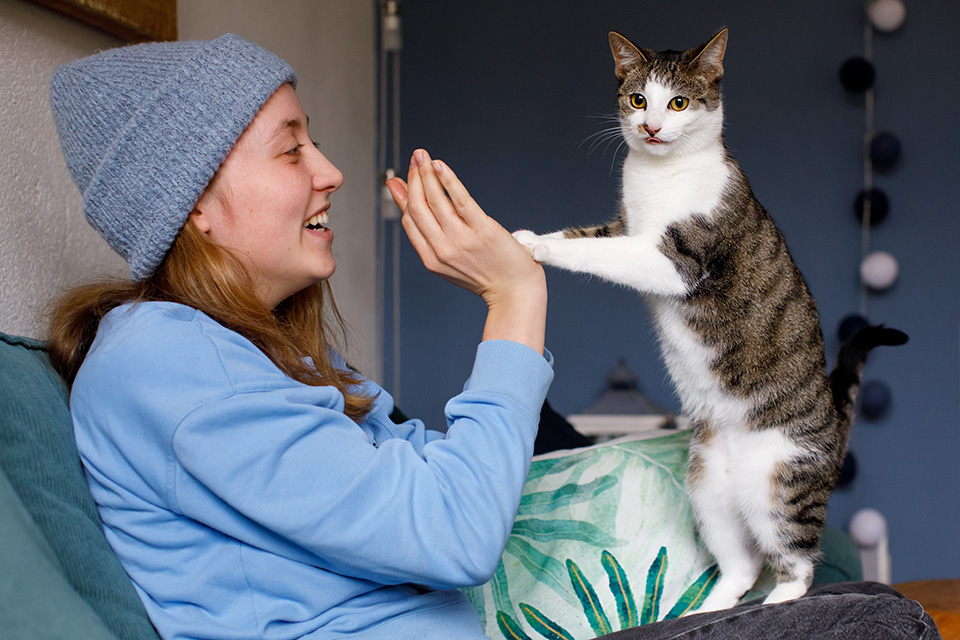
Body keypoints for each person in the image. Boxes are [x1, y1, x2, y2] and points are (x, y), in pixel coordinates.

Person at [45, 34, 939, 640]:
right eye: (291, 150)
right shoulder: (161, 359)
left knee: (860, 602)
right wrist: (516, 297)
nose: (332, 171)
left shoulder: (245, 348)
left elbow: (418, 485)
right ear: (196, 201)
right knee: (879, 623)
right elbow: (453, 538)